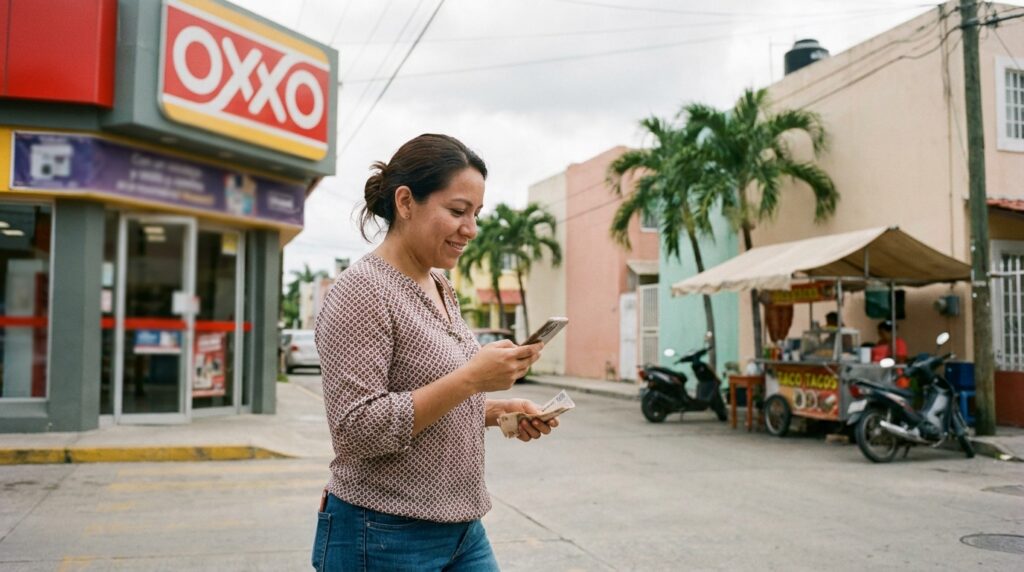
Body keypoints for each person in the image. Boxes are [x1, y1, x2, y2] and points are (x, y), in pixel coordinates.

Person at [311, 134, 558, 571]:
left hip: (462, 530)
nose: (471, 229)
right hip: (382, 532)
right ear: (406, 202)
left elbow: (431, 397)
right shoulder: (362, 291)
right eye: (458, 211)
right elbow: (356, 429)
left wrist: (500, 408)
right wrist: (471, 378)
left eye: (476, 214)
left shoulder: (439, 284)